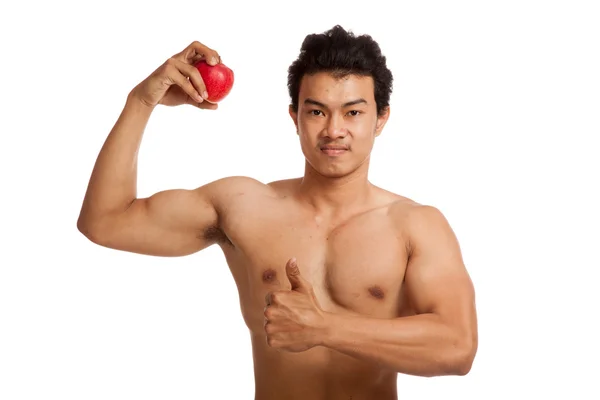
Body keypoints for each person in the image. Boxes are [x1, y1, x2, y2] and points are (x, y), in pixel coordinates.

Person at [77, 25, 478, 400]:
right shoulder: (244, 207)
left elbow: (457, 347)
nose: (334, 129)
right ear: (295, 117)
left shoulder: (415, 225)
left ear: (381, 119)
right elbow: (105, 221)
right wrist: (141, 101)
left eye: (353, 112)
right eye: (317, 111)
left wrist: (325, 328)